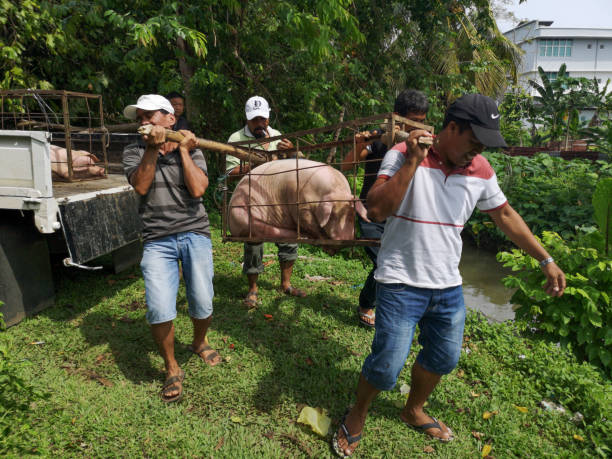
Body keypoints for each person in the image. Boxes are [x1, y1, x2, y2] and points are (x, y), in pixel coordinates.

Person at [332, 94, 566, 456]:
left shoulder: (481, 170)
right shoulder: (400, 154)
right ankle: (358, 410)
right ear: (451, 128)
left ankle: (412, 410)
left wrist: (544, 259)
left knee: (444, 357)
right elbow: (377, 209)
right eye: (474, 141)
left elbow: (504, 216)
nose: (477, 151)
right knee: (386, 366)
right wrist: (412, 161)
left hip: (447, 285)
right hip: (399, 280)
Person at [122, 94, 221, 404]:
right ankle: (171, 366)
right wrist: (152, 148)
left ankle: (199, 341)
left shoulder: (191, 148)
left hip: (195, 232)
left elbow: (198, 189)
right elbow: (141, 186)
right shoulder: (133, 151)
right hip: (156, 238)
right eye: (139, 118)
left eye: (149, 116)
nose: (142, 123)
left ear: (169, 120)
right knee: (159, 305)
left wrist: (182, 150)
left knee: (203, 299)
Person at [340, 89, 429, 328]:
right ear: (396, 118)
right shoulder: (379, 142)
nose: (415, 128)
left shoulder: (422, 147)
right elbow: (347, 164)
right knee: (383, 262)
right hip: (371, 214)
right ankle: (367, 305)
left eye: (421, 122)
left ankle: (389, 306)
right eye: (412, 121)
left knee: (399, 262)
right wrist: (363, 141)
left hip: (401, 216)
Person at [226, 95, 306, 308]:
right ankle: (253, 288)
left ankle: (286, 284)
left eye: (263, 119)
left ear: (269, 118)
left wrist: (291, 151)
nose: (260, 124)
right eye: (255, 120)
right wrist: (255, 162)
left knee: (289, 239)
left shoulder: (278, 136)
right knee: (253, 242)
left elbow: (299, 164)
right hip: (253, 198)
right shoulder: (236, 138)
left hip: (280, 197)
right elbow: (231, 172)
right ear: (247, 119)